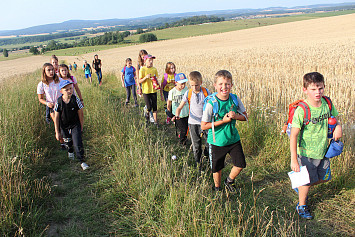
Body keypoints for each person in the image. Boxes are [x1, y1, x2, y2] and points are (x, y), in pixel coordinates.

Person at [290, 72, 342, 220]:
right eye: (313, 89)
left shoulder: (327, 104)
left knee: (325, 178)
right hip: (305, 153)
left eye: (320, 88)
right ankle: (302, 206)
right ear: (305, 90)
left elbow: (334, 119)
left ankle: (300, 187)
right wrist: (294, 159)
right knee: (306, 181)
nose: (317, 92)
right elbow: (293, 135)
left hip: (323, 150)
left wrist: (338, 127)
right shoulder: (302, 110)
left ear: (324, 87)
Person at [201, 70, 248, 192]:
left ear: (231, 85)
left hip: (233, 139)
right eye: (221, 84)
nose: (224, 87)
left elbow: (245, 116)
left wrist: (235, 116)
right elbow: (203, 126)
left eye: (227, 84)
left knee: (240, 164)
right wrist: (223, 121)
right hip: (217, 141)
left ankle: (229, 181)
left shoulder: (234, 99)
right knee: (217, 168)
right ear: (215, 85)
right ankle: (217, 188)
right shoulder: (211, 103)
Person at [176, 71, 211, 168]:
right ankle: (198, 164)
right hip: (193, 123)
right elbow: (180, 107)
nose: (194, 88)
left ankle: (207, 158)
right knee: (196, 145)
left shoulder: (206, 92)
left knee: (209, 143)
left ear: (201, 82)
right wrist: (177, 114)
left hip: (205, 123)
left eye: (196, 85)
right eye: (192, 85)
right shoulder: (188, 93)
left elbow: (212, 104)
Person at [54, 80, 89, 170]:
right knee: (68, 141)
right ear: (61, 91)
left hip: (75, 124)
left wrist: (81, 126)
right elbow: (56, 117)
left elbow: (80, 113)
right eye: (66, 89)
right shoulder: (59, 102)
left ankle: (82, 161)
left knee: (77, 142)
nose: (69, 91)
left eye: (71, 88)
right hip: (64, 125)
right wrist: (57, 131)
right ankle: (70, 151)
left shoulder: (75, 99)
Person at [37, 63, 65, 149]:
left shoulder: (59, 80)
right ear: (44, 72)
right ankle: (63, 143)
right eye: (48, 70)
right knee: (58, 124)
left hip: (62, 105)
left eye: (52, 69)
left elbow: (66, 90)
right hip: (52, 107)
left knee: (65, 123)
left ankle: (68, 140)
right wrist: (47, 103)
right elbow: (40, 98)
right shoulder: (41, 84)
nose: (51, 72)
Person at [167, 73, 189, 145]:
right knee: (183, 130)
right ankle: (182, 143)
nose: (183, 85)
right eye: (181, 84)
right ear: (176, 83)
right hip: (178, 115)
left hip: (186, 113)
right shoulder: (172, 92)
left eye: (184, 83)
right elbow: (169, 104)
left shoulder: (186, 89)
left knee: (186, 128)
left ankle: (184, 139)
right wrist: (170, 115)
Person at [138, 54, 159, 126]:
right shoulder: (142, 69)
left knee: (155, 106)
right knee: (149, 107)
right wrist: (146, 77)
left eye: (152, 60)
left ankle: (156, 122)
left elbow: (156, 79)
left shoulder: (154, 69)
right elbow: (139, 81)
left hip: (153, 90)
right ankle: (147, 119)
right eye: (149, 60)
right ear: (145, 61)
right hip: (146, 91)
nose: (151, 62)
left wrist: (157, 85)